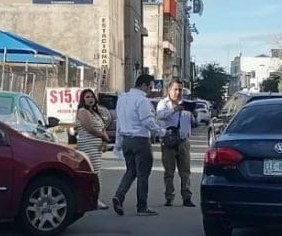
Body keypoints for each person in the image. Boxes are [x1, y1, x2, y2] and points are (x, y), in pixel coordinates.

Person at [111, 74, 163, 216]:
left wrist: (118, 144)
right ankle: (142, 206)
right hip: (140, 140)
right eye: (150, 87)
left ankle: (119, 195)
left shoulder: (122, 98)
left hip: (127, 139)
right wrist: (161, 132)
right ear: (144, 85)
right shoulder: (142, 100)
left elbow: (119, 123)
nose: (150, 90)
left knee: (130, 171)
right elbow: (147, 121)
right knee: (143, 174)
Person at [155, 79, 194, 207]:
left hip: (183, 141)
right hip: (169, 142)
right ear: (169, 90)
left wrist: (192, 113)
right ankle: (169, 197)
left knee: (185, 171)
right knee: (169, 171)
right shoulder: (163, 103)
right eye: (175, 89)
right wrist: (174, 109)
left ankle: (186, 197)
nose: (178, 92)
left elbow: (191, 121)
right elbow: (160, 115)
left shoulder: (185, 104)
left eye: (180, 90)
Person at [75, 89, 112, 210]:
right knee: (93, 174)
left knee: (97, 173)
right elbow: (89, 128)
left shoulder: (96, 113)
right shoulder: (82, 111)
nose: (90, 99)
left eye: (92, 97)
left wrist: (105, 140)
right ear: (83, 99)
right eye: (87, 97)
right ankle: (93, 200)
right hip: (88, 147)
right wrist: (103, 136)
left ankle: (94, 199)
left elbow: (102, 127)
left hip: (97, 149)